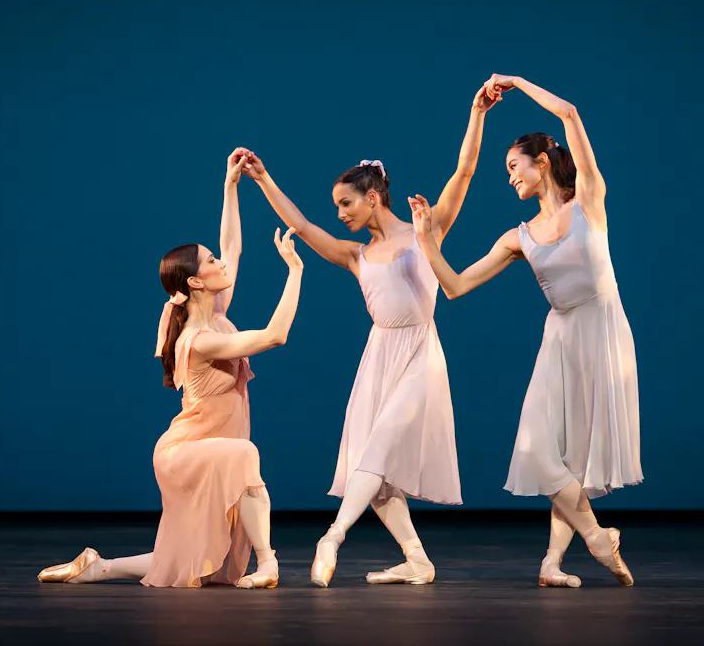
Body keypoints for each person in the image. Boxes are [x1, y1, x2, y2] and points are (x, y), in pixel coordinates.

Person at [241, 84, 500, 587]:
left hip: (420, 353)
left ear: (372, 197)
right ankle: (417, 559)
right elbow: (300, 223)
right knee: (374, 468)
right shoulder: (355, 256)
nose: (340, 214)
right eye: (337, 207)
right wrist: (263, 178)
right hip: (378, 355)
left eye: (346, 204)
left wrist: (476, 114)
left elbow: (463, 172)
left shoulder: (426, 230)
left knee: (377, 450)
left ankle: (333, 536)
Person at [409, 74, 640, 587]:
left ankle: (551, 564)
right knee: (540, 449)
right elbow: (454, 286)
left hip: (602, 333)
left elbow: (571, 114)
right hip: (558, 341)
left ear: (542, 164)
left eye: (515, 167)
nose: (510, 178)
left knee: (574, 460)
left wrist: (516, 82)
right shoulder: (518, 238)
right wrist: (427, 241)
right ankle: (599, 540)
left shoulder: (588, 200)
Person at [37, 148, 303, 589]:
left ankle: (99, 567)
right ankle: (269, 563)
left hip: (205, 445)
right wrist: (294, 271)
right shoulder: (199, 340)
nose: (221, 262)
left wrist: (230, 187)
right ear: (196, 281)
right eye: (211, 262)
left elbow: (233, 246)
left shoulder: (213, 310)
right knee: (246, 456)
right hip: (186, 452)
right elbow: (275, 336)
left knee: (203, 561)